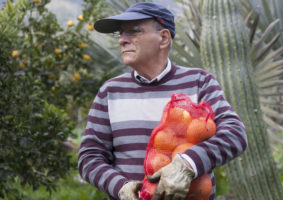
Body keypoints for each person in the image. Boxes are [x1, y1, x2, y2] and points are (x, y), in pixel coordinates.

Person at [78, 2, 248, 200]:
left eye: (133, 31)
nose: (122, 40)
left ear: (163, 38)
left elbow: (235, 133)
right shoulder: (110, 91)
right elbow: (89, 157)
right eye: (121, 34)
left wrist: (187, 165)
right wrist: (120, 187)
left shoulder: (199, 82)